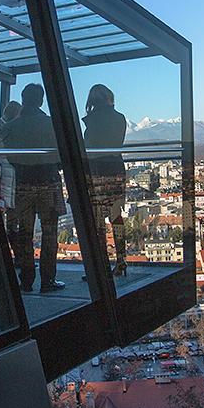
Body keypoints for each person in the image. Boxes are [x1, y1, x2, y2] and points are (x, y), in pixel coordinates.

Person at [0, 84, 66, 293]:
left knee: (24, 233)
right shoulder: (51, 124)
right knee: (49, 233)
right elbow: (61, 156)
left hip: (23, 183)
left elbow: (9, 157)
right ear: (41, 100)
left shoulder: (10, 127)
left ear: (23, 99)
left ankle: (26, 279)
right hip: (48, 181)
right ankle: (48, 280)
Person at [82, 84, 128, 276]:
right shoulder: (120, 119)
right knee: (116, 217)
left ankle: (100, 266)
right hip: (116, 169)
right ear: (109, 98)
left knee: (98, 220)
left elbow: (87, 149)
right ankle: (121, 260)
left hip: (96, 172)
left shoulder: (91, 122)